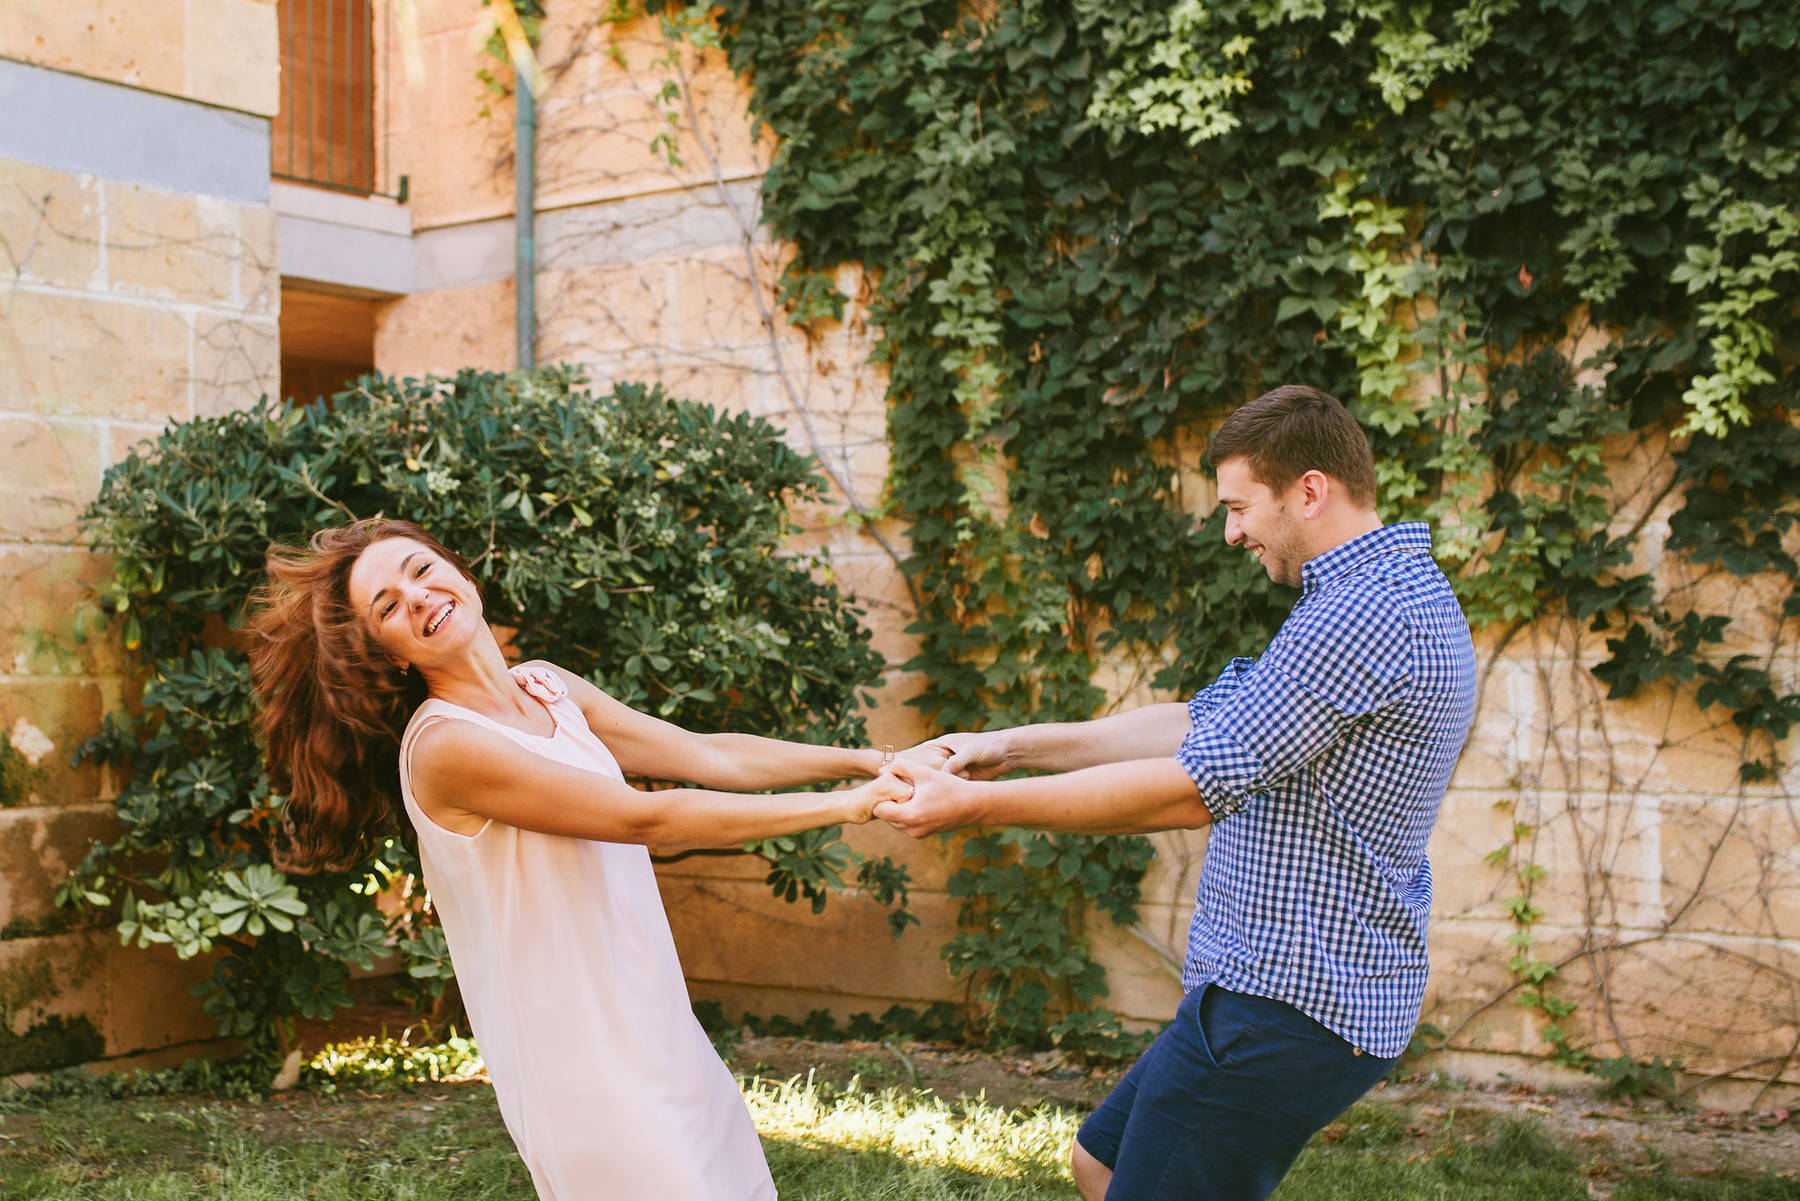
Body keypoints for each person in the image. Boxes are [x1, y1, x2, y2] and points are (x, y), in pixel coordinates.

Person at [876, 385, 1478, 1201]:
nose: (1231, 530)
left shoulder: (1365, 612)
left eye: (1238, 506)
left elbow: (1195, 786)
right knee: (1102, 1163)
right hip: (1278, 989)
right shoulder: (1366, 595)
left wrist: (976, 807)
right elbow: (1199, 721)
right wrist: (1004, 747)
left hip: (1290, 1000)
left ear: (1309, 489)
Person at [245, 517, 923, 1201]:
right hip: (580, 1062)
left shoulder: (545, 687)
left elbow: (706, 752)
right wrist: (850, 804)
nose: (416, 597)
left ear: (463, 574)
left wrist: (874, 761)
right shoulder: (445, 748)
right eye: (386, 606)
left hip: (656, 1023)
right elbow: (644, 817)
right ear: (387, 652)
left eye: (420, 570)